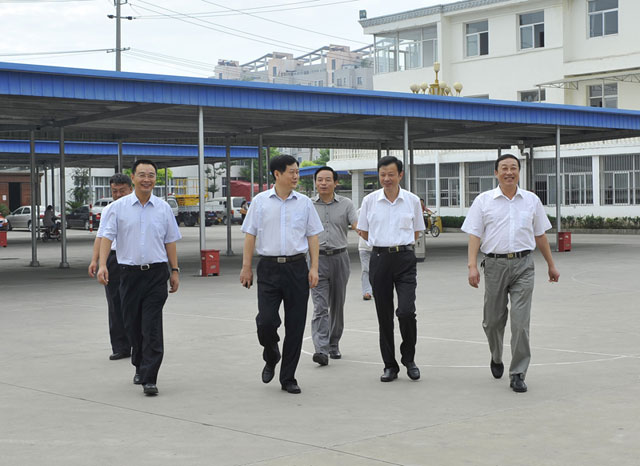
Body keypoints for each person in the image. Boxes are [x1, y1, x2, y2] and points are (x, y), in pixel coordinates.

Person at [462, 153, 560, 393]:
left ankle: (518, 372)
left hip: (524, 265)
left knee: (520, 323)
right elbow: (475, 234)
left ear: (519, 171)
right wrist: (472, 265)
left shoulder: (531, 201)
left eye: (513, 168)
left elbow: (540, 235)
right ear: (496, 173)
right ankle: (496, 356)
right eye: (504, 168)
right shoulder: (483, 201)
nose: (509, 172)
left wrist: (551, 264)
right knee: (493, 321)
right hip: (494, 266)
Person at [97, 160, 181, 396]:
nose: (147, 179)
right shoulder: (117, 208)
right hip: (128, 274)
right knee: (132, 325)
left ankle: (150, 377)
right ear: (133, 177)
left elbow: (170, 241)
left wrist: (175, 270)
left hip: (156, 273)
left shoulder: (163, 208)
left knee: (151, 326)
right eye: (142, 175)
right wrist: (102, 264)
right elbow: (106, 237)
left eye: (151, 175)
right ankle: (139, 363)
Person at [240, 154, 323, 394]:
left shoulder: (304, 203)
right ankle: (271, 353)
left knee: (295, 325)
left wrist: (314, 267)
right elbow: (250, 235)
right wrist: (246, 267)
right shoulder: (260, 202)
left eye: (297, 171)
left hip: (297, 268)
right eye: (292, 172)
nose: (296, 176)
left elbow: (313, 236)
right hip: (269, 268)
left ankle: (288, 378)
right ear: (277, 174)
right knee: (266, 321)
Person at [357, 156, 425, 383]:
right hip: (379, 259)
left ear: (400, 175)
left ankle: (409, 359)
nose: (386, 179)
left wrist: (399, 245)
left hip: (405, 259)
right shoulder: (369, 201)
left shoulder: (412, 200)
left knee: (406, 311)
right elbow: (363, 231)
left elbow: (416, 231)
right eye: (382, 174)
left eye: (391, 174)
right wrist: (382, 244)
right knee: (384, 315)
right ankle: (389, 365)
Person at [310, 166, 358, 366]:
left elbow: (358, 226)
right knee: (320, 306)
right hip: (316, 260)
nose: (323, 183)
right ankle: (321, 349)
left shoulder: (346, 204)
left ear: (336, 183)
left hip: (340, 258)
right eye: (320, 179)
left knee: (337, 304)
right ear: (315, 182)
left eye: (328, 179)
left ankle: (333, 343)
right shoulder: (308, 205)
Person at [88, 174, 134, 361]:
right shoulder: (108, 210)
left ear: (131, 189)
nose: (118, 195)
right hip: (114, 259)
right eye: (115, 191)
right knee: (115, 304)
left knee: (134, 304)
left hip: (133, 260)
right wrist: (96, 261)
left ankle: (139, 344)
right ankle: (121, 347)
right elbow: (100, 237)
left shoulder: (139, 208)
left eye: (122, 191)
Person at [357, 208, 373, 301]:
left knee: (379, 270)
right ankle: (367, 291)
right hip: (364, 247)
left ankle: (377, 289)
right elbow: (356, 226)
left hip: (379, 247)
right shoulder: (360, 211)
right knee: (365, 269)